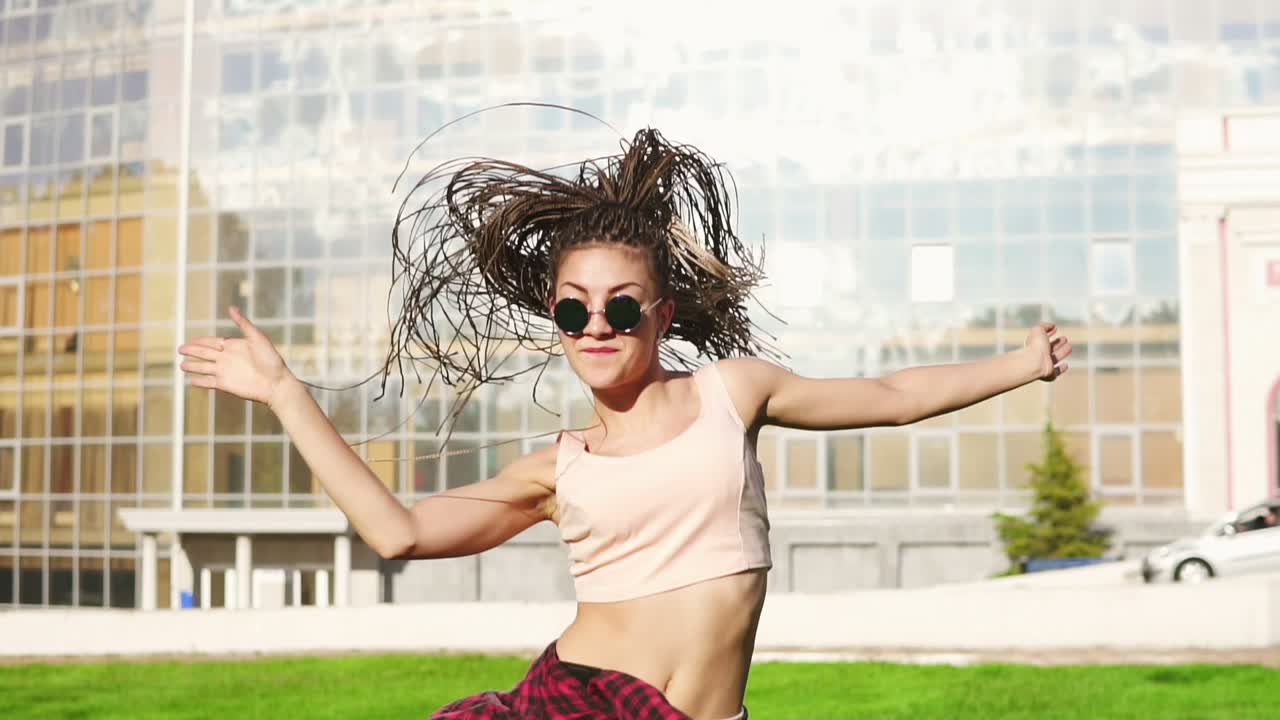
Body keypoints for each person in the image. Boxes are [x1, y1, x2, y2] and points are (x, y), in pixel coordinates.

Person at [177, 128, 1071, 720]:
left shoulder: (733, 394)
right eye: (574, 310)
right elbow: (397, 533)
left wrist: (1020, 364)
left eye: (621, 305)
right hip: (583, 702)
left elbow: (890, 395)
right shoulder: (558, 470)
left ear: (662, 314)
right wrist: (286, 393)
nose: (596, 326)